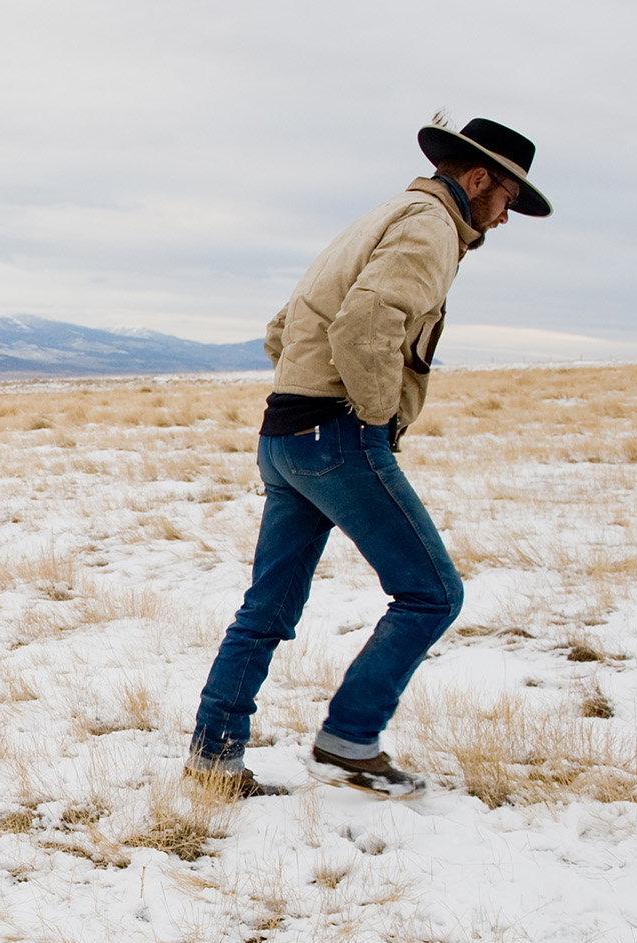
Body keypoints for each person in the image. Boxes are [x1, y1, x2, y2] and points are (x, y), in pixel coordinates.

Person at [187, 116, 551, 798]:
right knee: (433, 593)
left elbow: (280, 328)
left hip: (285, 435)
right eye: (507, 199)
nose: (506, 218)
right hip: (335, 436)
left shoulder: (381, 215)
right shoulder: (430, 226)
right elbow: (365, 323)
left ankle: (215, 760)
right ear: (477, 179)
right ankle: (350, 740)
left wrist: (310, 391)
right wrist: (374, 417)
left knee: (265, 609)